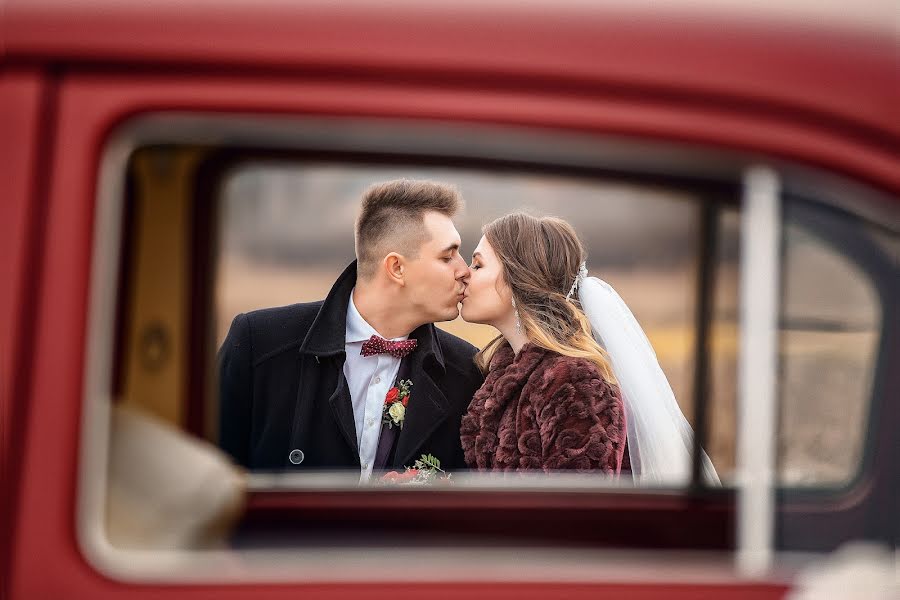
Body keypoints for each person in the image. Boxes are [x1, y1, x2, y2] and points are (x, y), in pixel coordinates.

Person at [218, 179, 484, 478]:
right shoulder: (259, 344)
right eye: (447, 257)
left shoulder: (467, 373)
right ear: (396, 268)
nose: (464, 271)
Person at [460, 212, 719, 484]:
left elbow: (582, 509)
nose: (465, 274)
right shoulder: (500, 374)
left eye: (477, 265)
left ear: (518, 279)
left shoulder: (572, 381)